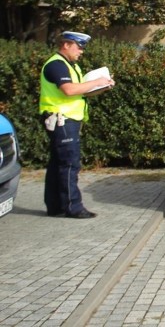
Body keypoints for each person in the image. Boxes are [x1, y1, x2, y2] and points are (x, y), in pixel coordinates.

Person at [39, 31, 114, 218]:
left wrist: (102, 87)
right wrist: (97, 81)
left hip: (65, 120)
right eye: (79, 47)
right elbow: (69, 90)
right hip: (62, 120)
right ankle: (73, 207)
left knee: (58, 163)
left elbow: (82, 92)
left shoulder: (70, 66)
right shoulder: (57, 65)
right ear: (66, 45)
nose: (81, 51)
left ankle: (55, 206)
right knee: (69, 164)